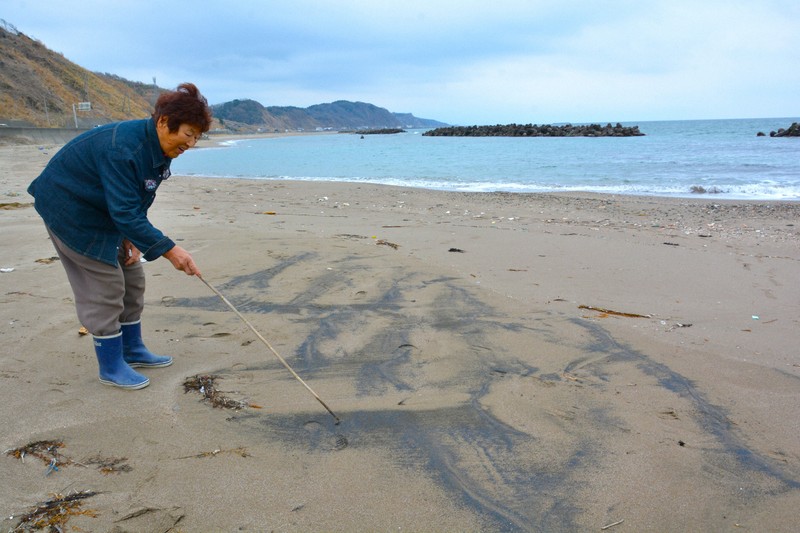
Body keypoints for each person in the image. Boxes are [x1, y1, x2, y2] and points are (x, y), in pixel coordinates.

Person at [27, 82, 212, 390]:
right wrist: (170, 250)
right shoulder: (124, 148)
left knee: (132, 275)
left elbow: (135, 200)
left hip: (104, 207)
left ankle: (131, 348)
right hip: (70, 209)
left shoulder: (161, 147)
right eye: (188, 134)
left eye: (197, 137)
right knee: (105, 285)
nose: (190, 143)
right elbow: (125, 211)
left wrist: (131, 237)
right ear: (164, 122)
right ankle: (111, 366)